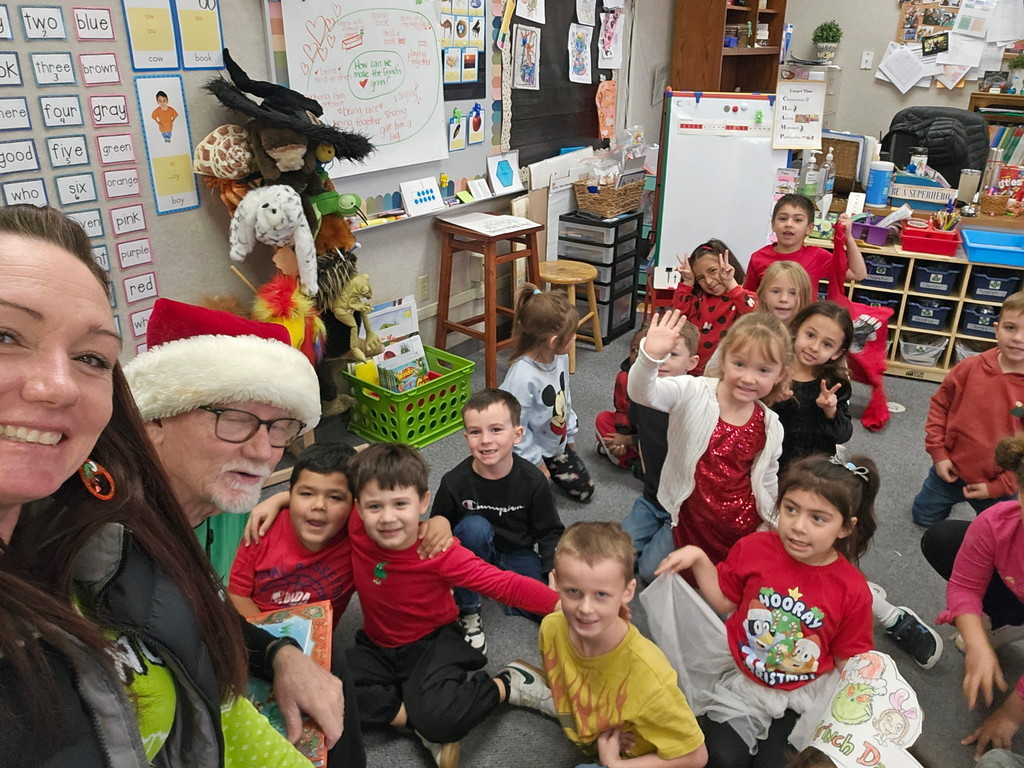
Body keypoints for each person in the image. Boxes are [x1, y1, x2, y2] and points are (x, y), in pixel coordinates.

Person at [0, 204, 303, 767]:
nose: (56, 386)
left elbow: (203, 683)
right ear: (154, 421)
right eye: (4, 334)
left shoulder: (97, 529)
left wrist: (280, 651)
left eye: (91, 357)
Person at [123, 297, 364, 766]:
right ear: (154, 420)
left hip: (207, 656)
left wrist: (279, 654)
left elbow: (203, 604)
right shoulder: (113, 534)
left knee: (326, 668)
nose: (263, 452)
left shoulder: (231, 503)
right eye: (235, 419)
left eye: (280, 427)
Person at [647, 453, 879, 768]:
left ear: (845, 528)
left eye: (818, 518)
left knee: (780, 764)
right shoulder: (755, 548)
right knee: (721, 759)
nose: (798, 527)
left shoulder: (852, 590)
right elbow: (724, 601)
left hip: (802, 696)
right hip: (743, 678)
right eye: (791, 509)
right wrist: (699, 558)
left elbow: (848, 661)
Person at [343, 442, 560, 768]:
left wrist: (565, 605)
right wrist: (277, 499)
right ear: (358, 507)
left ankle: (509, 684)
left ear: (423, 502)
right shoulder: (355, 526)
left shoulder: (438, 551)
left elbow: (504, 585)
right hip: (375, 644)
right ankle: (416, 721)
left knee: (442, 721)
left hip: (432, 643)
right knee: (323, 688)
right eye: (375, 507)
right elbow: (319, 497)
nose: (387, 518)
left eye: (400, 504)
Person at [508, 522, 708, 768]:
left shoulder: (649, 678)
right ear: (556, 581)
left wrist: (615, 764)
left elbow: (696, 757)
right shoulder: (551, 628)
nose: (585, 609)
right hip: (594, 734)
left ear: (627, 592)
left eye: (601, 595)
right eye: (573, 591)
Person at [627, 309, 789, 572]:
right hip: (686, 516)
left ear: (780, 374)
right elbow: (642, 393)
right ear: (724, 360)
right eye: (739, 364)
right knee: (649, 571)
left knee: (727, 583)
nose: (749, 378)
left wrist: (770, 525)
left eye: (763, 370)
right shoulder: (694, 390)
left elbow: (768, 478)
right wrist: (649, 357)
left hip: (736, 524)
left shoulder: (771, 424)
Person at [430, 388, 565, 654]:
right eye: (475, 432)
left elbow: (550, 532)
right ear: (466, 436)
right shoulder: (454, 481)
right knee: (474, 527)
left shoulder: (533, 481)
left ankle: (499, 589)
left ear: (517, 435)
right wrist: (439, 522)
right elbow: (438, 522)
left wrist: (553, 568)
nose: (485, 440)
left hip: (518, 552)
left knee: (549, 608)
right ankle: (468, 610)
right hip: (471, 554)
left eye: (495, 430)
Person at [921, 433, 1024, 760]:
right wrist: (976, 638)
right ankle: (1005, 622)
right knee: (942, 539)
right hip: (1014, 583)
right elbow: (965, 585)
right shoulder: (997, 522)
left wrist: (1010, 714)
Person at [910, 291, 1024, 527]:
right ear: (996, 328)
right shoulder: (970, 367)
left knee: (997, 533)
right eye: (1010, 327)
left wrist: (999, 486)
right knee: (923, 517)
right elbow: (940, 406)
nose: (1018, 338)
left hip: (1000, 481)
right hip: (950, 469)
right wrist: (938, 453)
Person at [228, 441, 357, 624]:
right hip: (259, 632)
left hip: (319, 641)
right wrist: (272, 643)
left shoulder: (358, 539)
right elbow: (237, 594)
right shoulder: (261, 530)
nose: (318, 506)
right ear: (291, 494)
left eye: (335, 497)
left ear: (354, 504)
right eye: (306, 494)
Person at [621, 317, 700, 584]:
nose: (662, 361)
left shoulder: (696, 401)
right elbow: (643, 433)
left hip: (681, 508)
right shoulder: (644, 394)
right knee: (618, 559)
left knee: (648, 571)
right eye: (657, 354)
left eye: (673, 355)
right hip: (651, 496)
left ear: (692, 364)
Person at [500, 283, 593, 503]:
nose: (575, 338)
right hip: (523, 447)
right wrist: (536, 462)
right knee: (531, 499)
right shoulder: (522, 377)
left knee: (585, 490)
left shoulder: (559, 357)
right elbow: (514, 429)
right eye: (572, 335)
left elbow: (564, 398)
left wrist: (569, 434)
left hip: (552, 442)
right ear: (553, 341)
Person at [770, 301, 854, 473]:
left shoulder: (835, 384)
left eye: (827, 344)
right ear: (797, 329)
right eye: (810, 335)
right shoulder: (773, 369)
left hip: (814, 471)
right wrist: (771, 398)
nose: (814, 347)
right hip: (772, 463)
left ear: (837, 352)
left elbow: (843, 435)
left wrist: (830, 411)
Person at [743, 194, 866, 293]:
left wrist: (848, 237)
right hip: (768, 322)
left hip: (803, 322)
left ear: (809, 228)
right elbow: (748, 297)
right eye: (783, 218)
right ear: (773, 225)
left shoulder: (817, 256)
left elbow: (858, 274)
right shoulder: (758, 258)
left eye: (798, 220)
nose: (789, 224)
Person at [671, 239, 758, 374]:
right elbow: (677, 315)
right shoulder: (698, 297)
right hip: (693, 369)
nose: (709, 281)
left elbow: (755, 314)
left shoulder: (741, 296)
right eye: (700, 278)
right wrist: (687, 282)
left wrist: (730, 283)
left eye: (712, 271)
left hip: (725, 372)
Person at [594, 326, 645, 472]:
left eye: (643, 351)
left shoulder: (665, 386)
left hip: (656, 440)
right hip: (635, 431)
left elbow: (659, 432)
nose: (636, 355)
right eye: (633, 350)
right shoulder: (624, 377)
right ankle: (632, 462)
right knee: (603, 419)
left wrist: (629, 441)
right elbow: (622, 410)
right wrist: (620, 440)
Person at [756, 260, 813, 328]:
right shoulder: (751, 331)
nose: (783, 299)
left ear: (804, 297)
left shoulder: (809, 333)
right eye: (776, 291)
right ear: (763, 296)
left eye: (792, 293)